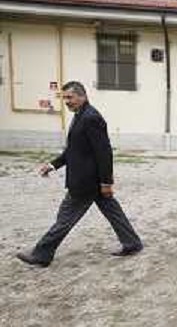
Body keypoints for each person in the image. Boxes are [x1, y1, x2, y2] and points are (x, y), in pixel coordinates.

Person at [16, 81, 143, 268]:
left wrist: (106, 182)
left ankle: (42, 254)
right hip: (91, 181)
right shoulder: (80, 115)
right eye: (64, 98)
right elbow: (73, 151)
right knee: (113, 212)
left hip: (86, 183)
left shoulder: (91, 118)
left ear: (82, 96)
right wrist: (53, 165)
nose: (66, 101)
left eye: (70, 97)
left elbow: (104, 152)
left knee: (65, 218)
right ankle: (132, 243)